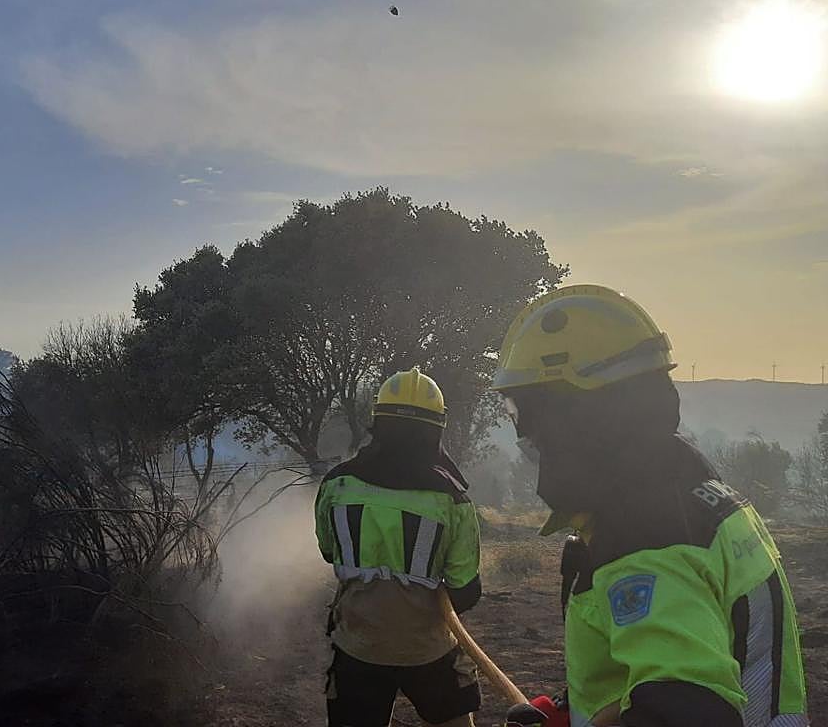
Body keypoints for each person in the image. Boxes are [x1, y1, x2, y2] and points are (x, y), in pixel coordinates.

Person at [493, 284, 808, 727]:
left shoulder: (647, 538)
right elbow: (660, 663)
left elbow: (686, 711)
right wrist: (572, 715)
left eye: (526, 412)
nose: (526, 434)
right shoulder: (688, 492)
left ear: (574, 417)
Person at [314, 367, 483, 727]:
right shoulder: (452, 501)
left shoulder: (336, 484)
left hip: (358, 645)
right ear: (437, 427)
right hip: (428, 651)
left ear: (378, 422)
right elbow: (465, 592)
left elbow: (329, 552)